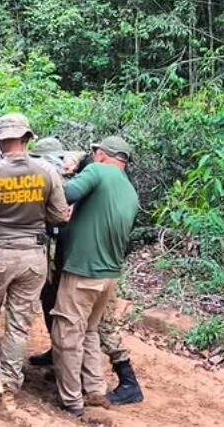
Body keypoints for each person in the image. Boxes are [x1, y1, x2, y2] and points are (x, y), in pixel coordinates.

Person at [0, 114, 70, 412]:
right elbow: (60, 215)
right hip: (34, 258)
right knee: (19, 323)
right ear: (27, 138)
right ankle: (10, 382)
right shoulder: (47, 171)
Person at [30, 147, 144, 407]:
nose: (93, 157)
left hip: (83, 270)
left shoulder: (97, 170)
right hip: (110, 273)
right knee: (90, 330)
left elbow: (65, 195)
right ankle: (95, 391)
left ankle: (71, 400)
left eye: (95, 152)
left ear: (103, 154)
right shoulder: (129, 190)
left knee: (67, 333)